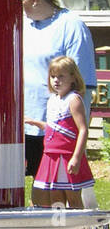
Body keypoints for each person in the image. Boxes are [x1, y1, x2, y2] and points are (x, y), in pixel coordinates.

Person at [22, 0, 97, 177]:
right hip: (26, 122)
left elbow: (82, 84)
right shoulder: (24, 26)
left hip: (58, 124)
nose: (20, 7)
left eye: (22, 1)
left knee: (58, 188)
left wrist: (78, 130)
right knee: (35, 188)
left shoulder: (71, 26)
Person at [25, 55, 98, 209]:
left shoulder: (74, 99)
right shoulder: (53, 99)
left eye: (61, 76)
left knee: (72, 196)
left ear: (73, 77)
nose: (56, 80)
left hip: (66, 157)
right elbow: (55, 128)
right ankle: (60, 228)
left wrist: (76, 158)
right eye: (53, 76)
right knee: (55, 197)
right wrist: (35, 122)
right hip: (50, 156)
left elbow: (82, 129)